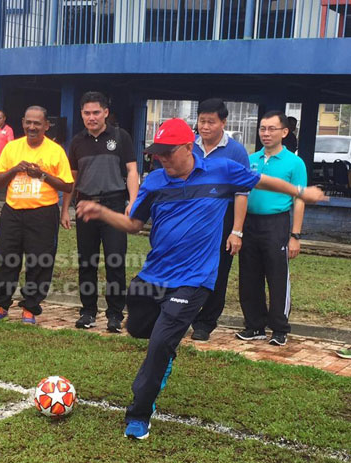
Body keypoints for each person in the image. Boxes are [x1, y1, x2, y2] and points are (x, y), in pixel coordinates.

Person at [76, 118, 326, 440]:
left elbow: (262, 180)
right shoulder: (154, 182)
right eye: (157, 154)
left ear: (186, 148)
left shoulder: (221, 170)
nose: (161, 160)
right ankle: (163, 350)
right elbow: (133, 224)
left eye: (168, 154)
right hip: (154, 273)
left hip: (195, 278)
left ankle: (139, 414)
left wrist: (300, 191)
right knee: (137, 327)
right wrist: (100, 212)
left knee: (160, 344)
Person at [0, 106, 74, 325]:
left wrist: (42, 175)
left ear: (46, 125)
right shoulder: (12, 147)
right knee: (6, 258)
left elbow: (68, 186)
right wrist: (15, 169)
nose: (32, 127)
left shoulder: (55, 150)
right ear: (23, 122)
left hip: (43, 213)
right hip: (13, 211)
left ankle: (30, 308)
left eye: (37, 123)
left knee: (39, 262)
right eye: (28, 122)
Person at [62, 91, 139, 333]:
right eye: (87, 113)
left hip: (114, 204)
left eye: (96, 112)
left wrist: (133, 202)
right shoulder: (77, 142)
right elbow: (71, 179)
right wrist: (65, 209)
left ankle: (115, 314)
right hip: (85, 206)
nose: (92, 117)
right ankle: (88, 312)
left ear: (105, 112)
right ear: (81, 114)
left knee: (115, 261)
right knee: (87, 262)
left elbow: (132, 171)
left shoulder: (120, 137)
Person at [237, 111, 307, 347]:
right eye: (262, 129)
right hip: (249, 223)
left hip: (276, 224)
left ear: (284, 132)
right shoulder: (250, 159)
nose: (266, 133)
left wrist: (295, 235)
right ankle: (254, 325)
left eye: (271, 129)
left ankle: (279, 328)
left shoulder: (295, 163)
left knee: (277, 277)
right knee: (249, 275)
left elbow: (300, 199)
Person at [190, 98, 250, 341]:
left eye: (211, 122)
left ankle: (205, 323)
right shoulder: (188, 146)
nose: (205, 127)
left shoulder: (236, 151)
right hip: (191, 216)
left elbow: (241, 194)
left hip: (221, 216)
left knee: (217, 271)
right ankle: (182, 314)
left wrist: (236, 231)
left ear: (223, 122)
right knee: (188, 268)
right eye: (201, 121)